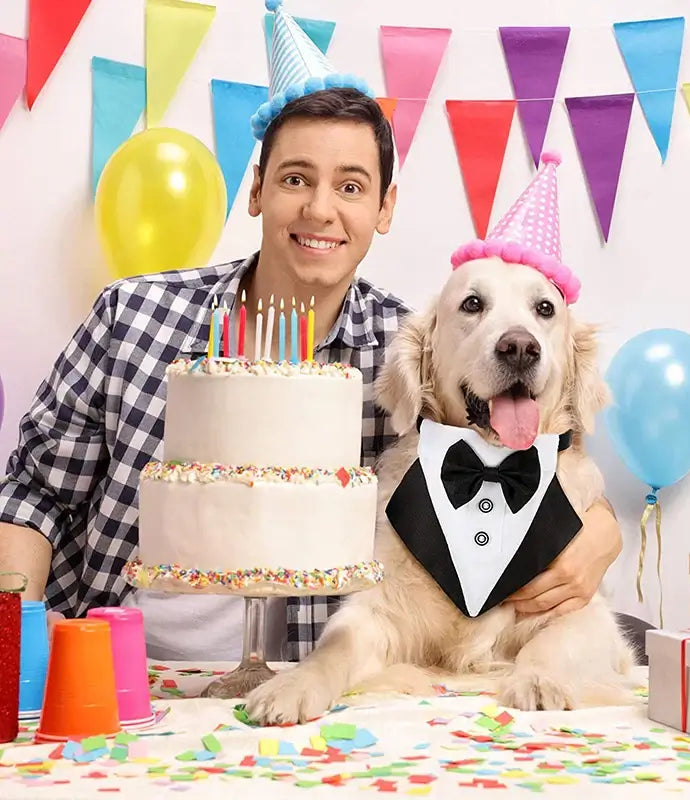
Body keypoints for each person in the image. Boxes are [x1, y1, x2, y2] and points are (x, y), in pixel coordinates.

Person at [0, 0, 622, 662]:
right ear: (258, 188)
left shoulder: (412, 350)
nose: (321, 210)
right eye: (296, 179)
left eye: (351, 187)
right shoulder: (133, 315)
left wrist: (602, 532)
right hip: (119, 675)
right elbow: (35, 496)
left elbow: (532, 454)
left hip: (306, 684)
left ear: (385, 208)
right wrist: (16, 654)